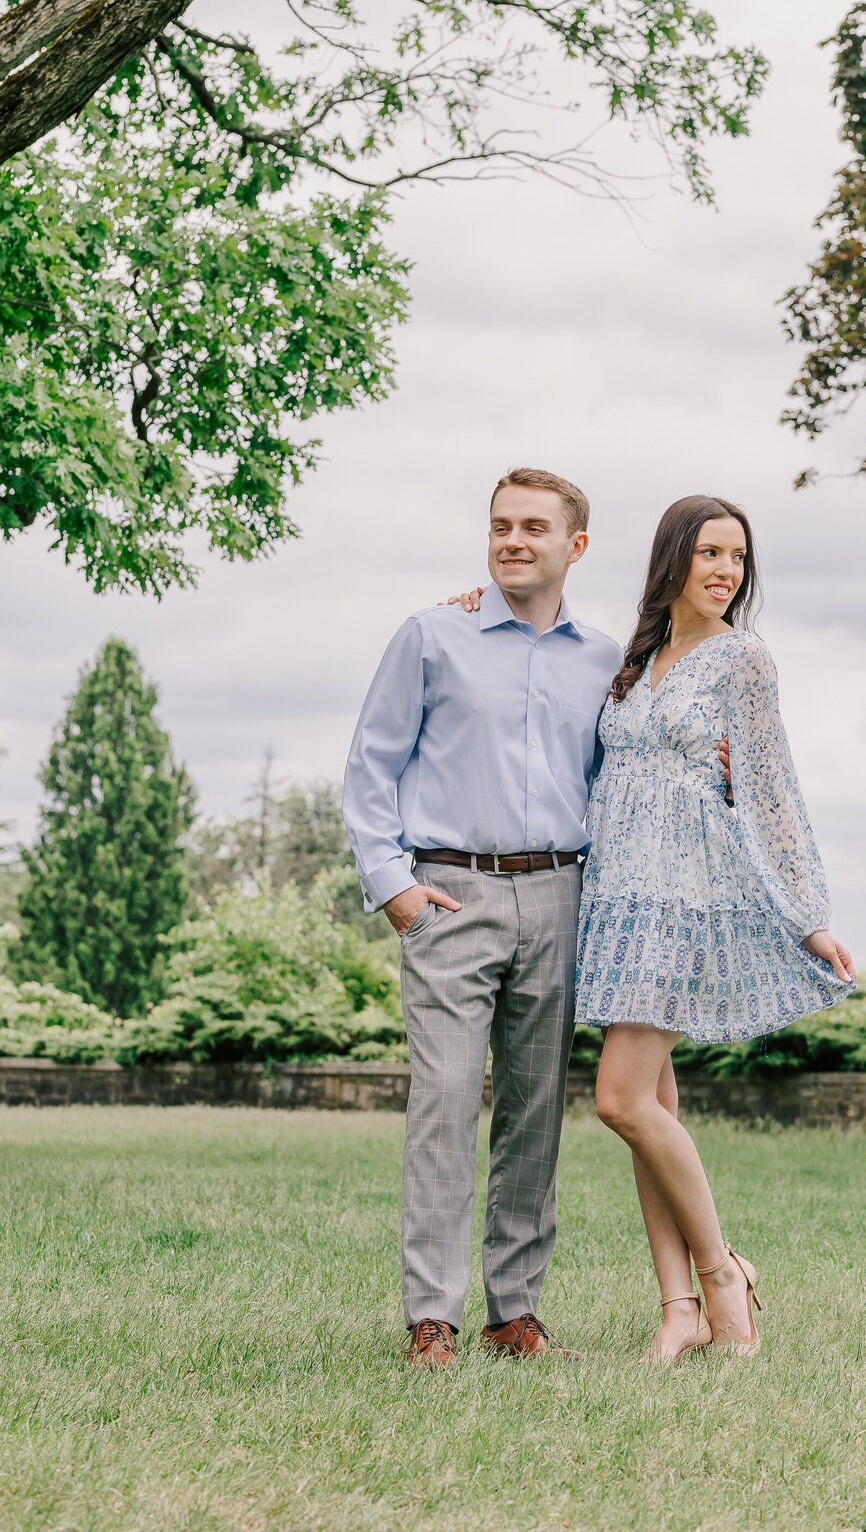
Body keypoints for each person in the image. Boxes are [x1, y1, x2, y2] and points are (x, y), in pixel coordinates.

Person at [342, 467, 622, 1366]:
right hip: (450, 895)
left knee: (536, 1113)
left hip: (560, 897)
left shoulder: (605, 659)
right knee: (446, 1102)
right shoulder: (431, 634)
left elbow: (620, 781)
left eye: (535, 527)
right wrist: (396, 890)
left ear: (574, 546)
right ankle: (434, 1317)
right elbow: (370, 765)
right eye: (501, 525)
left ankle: (515, 1315)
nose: (512, 540)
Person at [577, 495, 856, 1362]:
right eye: (709, 553)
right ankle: (678, 1309)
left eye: (737, 556)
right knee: (650, 1108)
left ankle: (723, 1274)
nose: (726, 571)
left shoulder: (744, 660)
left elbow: (771, 789)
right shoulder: (637, 658)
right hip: (617, 899)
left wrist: (806, 914)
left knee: (618, 1098)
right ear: (674, 561)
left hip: (686, 900)